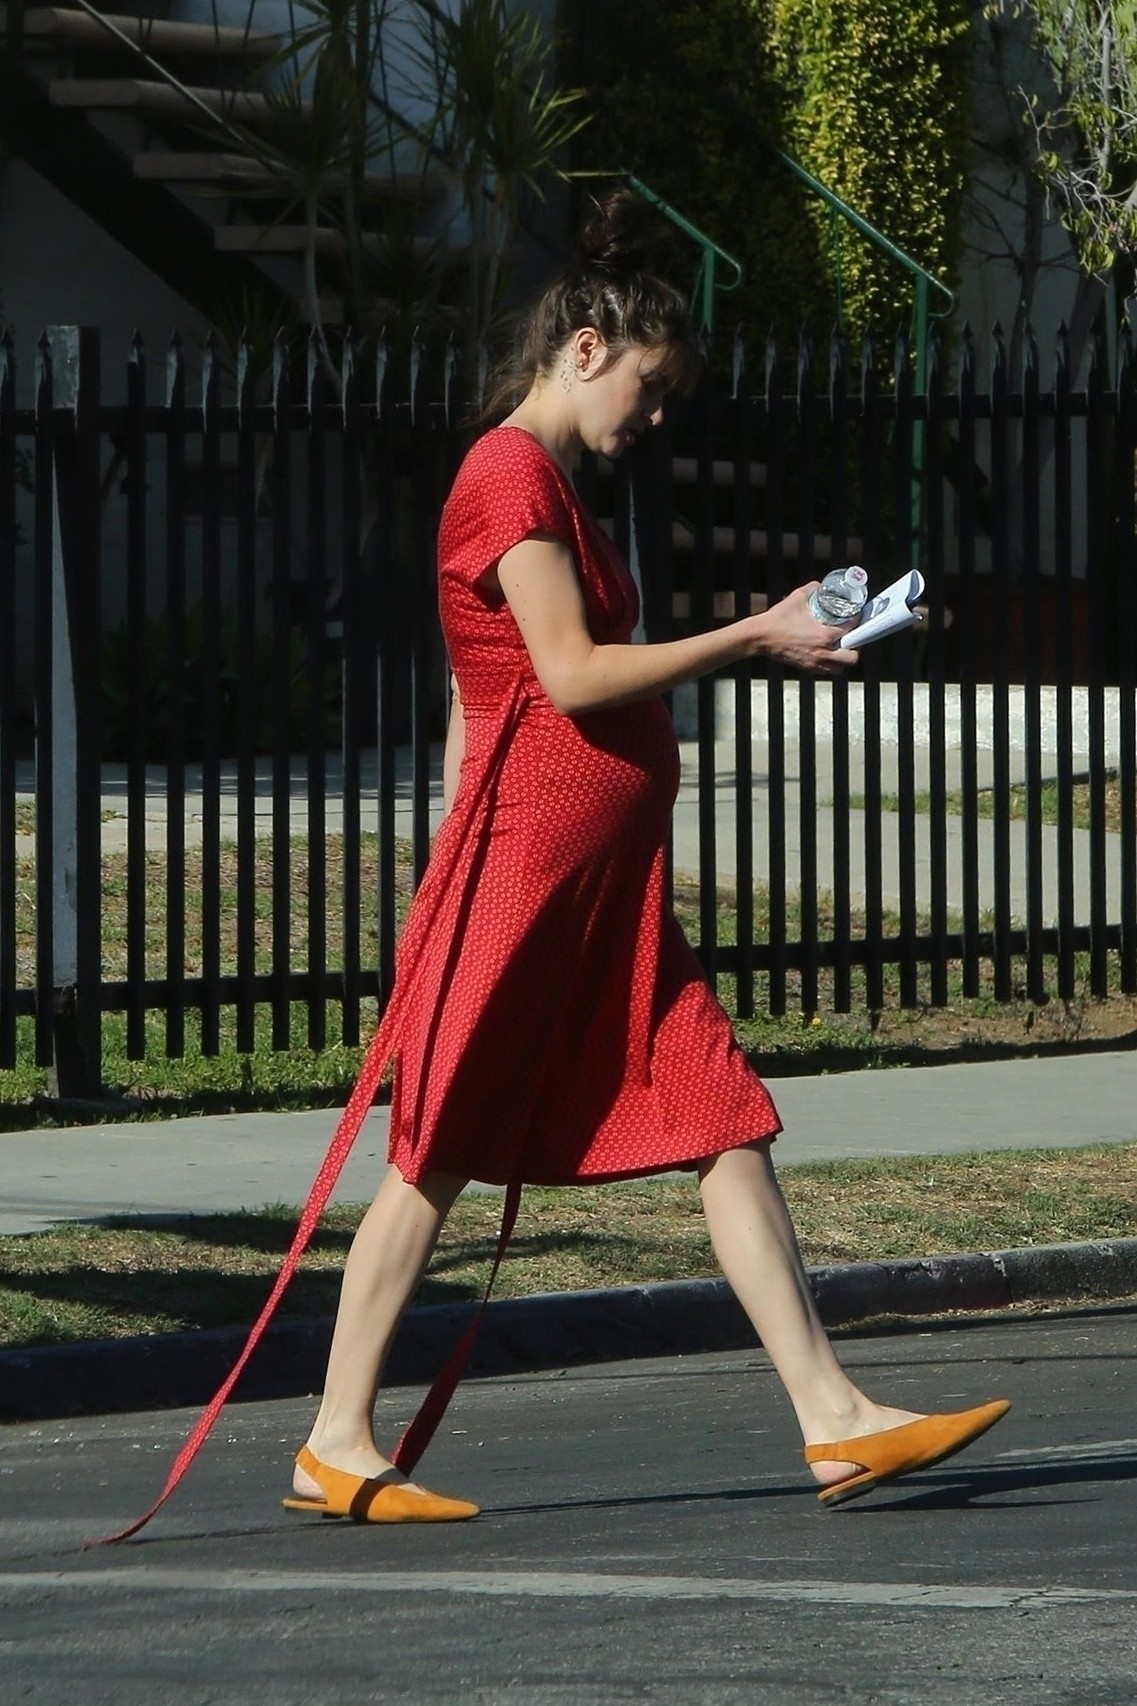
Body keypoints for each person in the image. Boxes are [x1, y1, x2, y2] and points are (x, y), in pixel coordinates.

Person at [281, 189, 1010, 1525]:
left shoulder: (553, 487)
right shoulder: (507, 476)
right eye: (651, 389)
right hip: (530, 881)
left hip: (602, 891)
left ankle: (833, 1417)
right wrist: (753, 633)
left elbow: (478, 692)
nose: (658, 419)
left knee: (722, 1114)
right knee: (436, 1146)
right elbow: (565, 674)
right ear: (585, 350)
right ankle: (334, 1439)